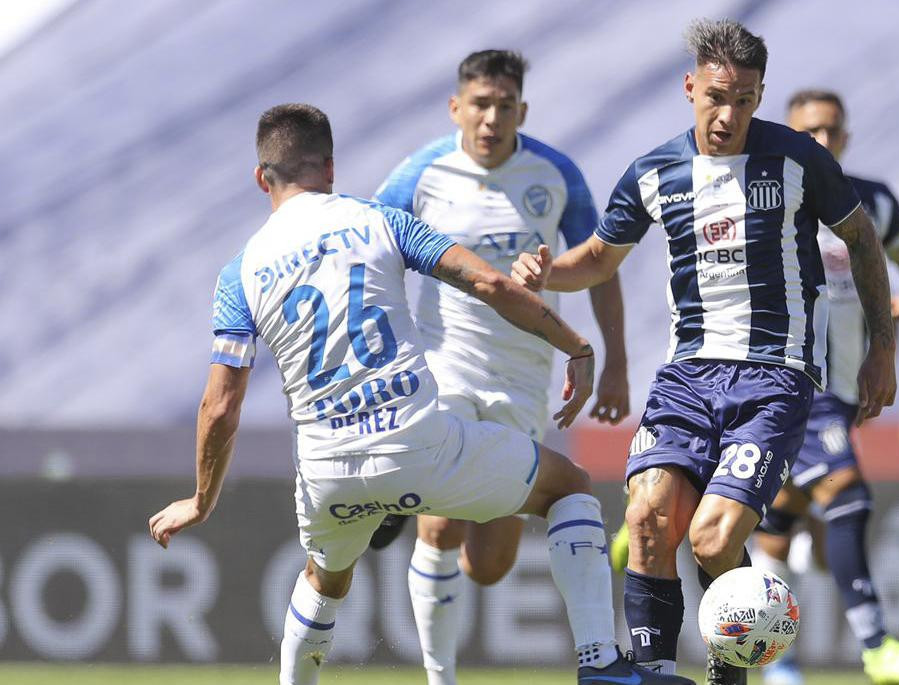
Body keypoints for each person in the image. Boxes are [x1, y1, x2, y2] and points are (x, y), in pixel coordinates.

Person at [146, 104, 691, 685]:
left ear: (262, 178)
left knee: (324, 579)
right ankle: (599, 666)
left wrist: (201, 500)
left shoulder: (241, 272)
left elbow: (220, 407)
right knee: (571, 489)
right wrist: (575, 345)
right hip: (419, 444)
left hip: (327, 468)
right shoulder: (379, 221)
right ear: (330, 168)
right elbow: (489, 282)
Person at [513, 19, 898, 685]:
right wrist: (548, 272)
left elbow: (861, 240)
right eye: (717, 96)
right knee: (647, 516)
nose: (728, 114)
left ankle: (732, 669)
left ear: (760, 94)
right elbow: (600, 258)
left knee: (714, 538)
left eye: (744, 99)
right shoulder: (656, 172)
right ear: (691, 86)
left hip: (774, 377)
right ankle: (656, 671)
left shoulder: (796, 160)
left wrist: (881, 348)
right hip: (687, 378)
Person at [369, 50, 629, 685]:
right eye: (479, 105)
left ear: (522, 110)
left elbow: (598, 264)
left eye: (504, 106)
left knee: (488, 565)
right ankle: (441, 676)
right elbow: (365, 256)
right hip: (442, 368)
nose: (491, 119)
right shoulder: (420, 175)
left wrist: (616, 362)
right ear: (457, 107)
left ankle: (427, 529)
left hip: (521, 381)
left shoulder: (555, 174)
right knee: (441, 518)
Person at [752, 89, 899, 685]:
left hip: (840, 384)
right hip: (790, 378)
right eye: (807, 130)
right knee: (847, 496)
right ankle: (876, 646)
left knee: (782, 516)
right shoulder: (765, 196)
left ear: (846, 137)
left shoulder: (874, 203)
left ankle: (775, 659)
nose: (821, 141)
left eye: (831, 130)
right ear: (787, 134)